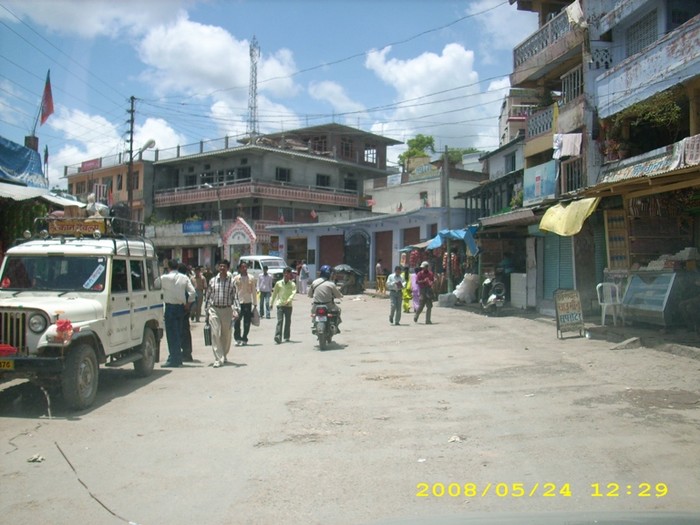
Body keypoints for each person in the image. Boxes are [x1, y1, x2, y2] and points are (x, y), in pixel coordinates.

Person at [160, 259, 196, 367]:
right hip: (181, 308)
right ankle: (178, 357)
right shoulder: (184, 278)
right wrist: (188, 304)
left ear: (169, 267)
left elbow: (154, 284)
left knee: (171, 334)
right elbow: (193, 292)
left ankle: (174, 359)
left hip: (170, 308)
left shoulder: (164, 278)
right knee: (179, 333)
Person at [204, 260, 238, 368]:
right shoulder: (213, 280)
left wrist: (236, 310)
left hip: (227, 310)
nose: (222, 268)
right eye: (220, 266)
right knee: (215, 333)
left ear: (227, 268)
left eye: (224, 266)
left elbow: (235, 297)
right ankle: (218, 358)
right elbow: (208, 296)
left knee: (226, 334)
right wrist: (206, 311)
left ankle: (223, 354)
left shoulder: (232, 282)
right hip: (214, 309)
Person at [309, 264, 343, 330]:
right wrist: (341, 295)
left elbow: (309, 295)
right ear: (329, 274)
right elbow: (338, 295)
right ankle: (335, 325)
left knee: (313, 312)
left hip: (316, 305)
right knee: (338, 310)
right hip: (328, 305)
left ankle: (314, 323)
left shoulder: (314, 282)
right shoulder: (331, 284)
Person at [232, 261, 258, 346]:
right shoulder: (236, 278)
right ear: (239, 268)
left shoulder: (251, 278)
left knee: (247, 322)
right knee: (237, 321)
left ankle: (244, 338)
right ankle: (237, 338)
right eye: (243, 267)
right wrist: (233, 303)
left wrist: (255, 303)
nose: (245, 269)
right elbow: (233, 291)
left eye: (246, 267)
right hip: (238, 303)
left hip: (247, 302)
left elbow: (254, 291)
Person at [271, 267, 297, 344]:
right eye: (285, 273)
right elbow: (274, 294)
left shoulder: (292, 284)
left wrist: (288, 300)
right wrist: (271, 303)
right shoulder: (278, 283)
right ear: (283, 274)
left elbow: (293, 293)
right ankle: (278, 336)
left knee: (288, 321)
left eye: (288, 274)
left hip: (288, 305)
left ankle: (286, 336)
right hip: (280, 304)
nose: (287, 275)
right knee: (280, 320)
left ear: (290, 275)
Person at [178, 263, 194, 362]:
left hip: (183, 308)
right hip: (185, 308)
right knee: (184, 331)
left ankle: (186, 353)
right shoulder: (186, 279)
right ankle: (186, 352)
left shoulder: (182, 280)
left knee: (183, 331)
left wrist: (187, 305)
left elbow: (193, 293)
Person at [414, 261, 435, 325]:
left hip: (428, 290)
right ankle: (416, 315)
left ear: (427, 267)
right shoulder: (419, 274)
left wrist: (431, 282)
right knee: (421, 305)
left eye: (424, 267)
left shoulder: (431, 273)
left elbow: (432, 280)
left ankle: (428, 320)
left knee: (429, 306)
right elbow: (417, 282)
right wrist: (423, 281)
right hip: (422, 290)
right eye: (422, 267)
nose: (423, 268)